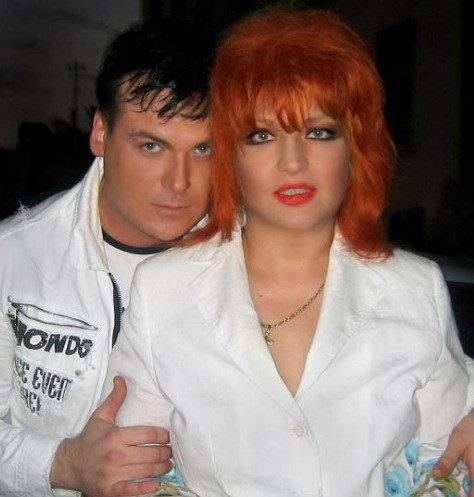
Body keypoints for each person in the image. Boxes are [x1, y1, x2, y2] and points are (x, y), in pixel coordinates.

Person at [104, 6, 473, 496]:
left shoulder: (416, 289)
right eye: (262, 136)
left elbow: (446, 467)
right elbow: (132, 473)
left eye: (319, 132)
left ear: (355, 146)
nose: (293, 162)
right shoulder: (162, 290)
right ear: (230, 155)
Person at [0, 19, 215, 497]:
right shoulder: (13, 258)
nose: (179, 182)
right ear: (101, 133)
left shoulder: (249, 266)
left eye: (203, 148)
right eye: (151, 145)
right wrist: (62, 464)